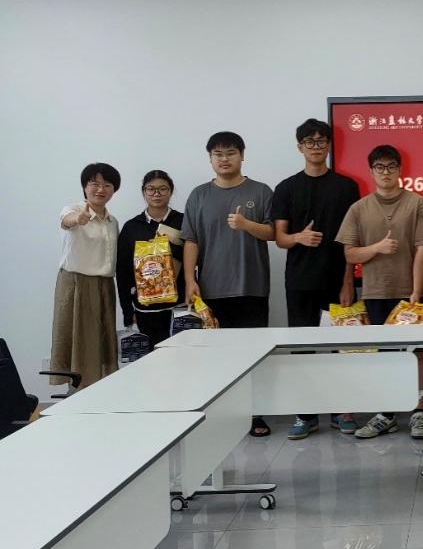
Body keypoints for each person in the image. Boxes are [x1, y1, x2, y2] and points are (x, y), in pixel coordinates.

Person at [336, 145, 423, 439]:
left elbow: (422, 252)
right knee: (385, 355)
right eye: (380, 167)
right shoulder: (359, 208)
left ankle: (420, 413)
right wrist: (377, 248)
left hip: (412, 294)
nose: (386, 172)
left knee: (419, 354)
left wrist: (416, 292)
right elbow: (350, 254)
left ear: (400, 170)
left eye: (391, 166)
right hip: (376, 292)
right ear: (371, 171)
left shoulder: (418, 204)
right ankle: (388, 413)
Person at [182, 131, 275, 437]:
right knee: (216, 357)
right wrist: (190, 280)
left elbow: (273, 233)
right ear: (210, 158)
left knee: (253, 355)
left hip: (252, 286)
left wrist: (247, 225)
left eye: (230, 153)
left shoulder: (261, 191)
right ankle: (220, 415)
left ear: (242, 155)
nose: (224, 159)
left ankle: (255, 414)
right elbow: (191, 240)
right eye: (218, 154)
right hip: (212, 289)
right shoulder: (199, 195)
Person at [274, 119, 361, 440]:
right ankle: (306, 414)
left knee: (340, 348)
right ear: (300, 147)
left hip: (337, 279)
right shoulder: (286, 188)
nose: (315, 146)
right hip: (299, 281)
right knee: (302, 349)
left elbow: (352, 240)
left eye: (321, 140)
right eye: (309, 141)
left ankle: (341, 410)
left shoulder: (346, 187)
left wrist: (349, 281)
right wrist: (299, 237)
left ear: (329, 145)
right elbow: (280, 238)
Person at [50, 163, 121, 389]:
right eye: (94, 184)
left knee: (101, 342)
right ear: (84, 187)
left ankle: (100, 391)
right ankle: (77, 392)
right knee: (78, 342)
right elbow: (67, 220)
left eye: (107, 185)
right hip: (76, 283)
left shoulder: (112, 221)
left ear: (114, 189)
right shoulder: (73, 209)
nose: (100, 189)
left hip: (105, 285)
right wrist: (78, 219)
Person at [116, 170, 184, 349]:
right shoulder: (132, 227)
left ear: (171, 191)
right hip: (145, 309)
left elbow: (197, 257)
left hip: (180, 306)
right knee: (151, 359)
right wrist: (127, 311)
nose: (157, 193)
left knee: (183, 357)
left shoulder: (184, 221)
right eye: (151, 189)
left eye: (163, 189)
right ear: (143, 192)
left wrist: (167, 248)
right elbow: (122, 271)